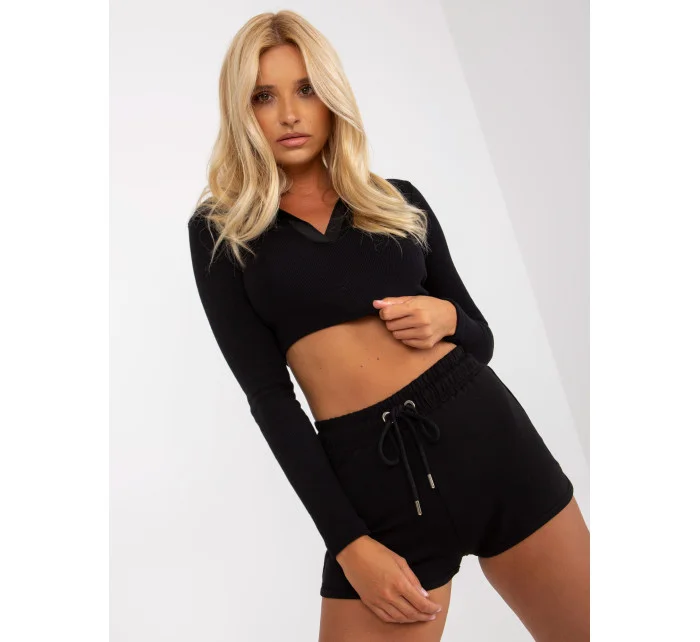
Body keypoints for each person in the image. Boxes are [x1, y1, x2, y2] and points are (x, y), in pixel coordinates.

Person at [187, 10, 589, 642]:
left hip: (492, 443)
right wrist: (348, 543)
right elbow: (270, 400)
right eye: (264, 96)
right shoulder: (223, 230)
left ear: (332, 97)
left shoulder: (397, 199)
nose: (289, 114)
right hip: (375, 488)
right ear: (241, 111)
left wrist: (446, 316)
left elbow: (479, 339)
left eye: (306, 89)